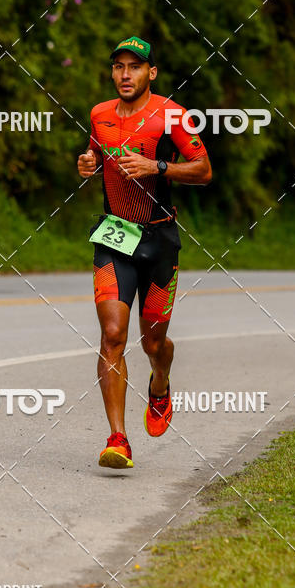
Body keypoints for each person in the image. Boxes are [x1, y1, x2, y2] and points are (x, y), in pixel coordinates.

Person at [77, 36, 212, 469]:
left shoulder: (172, 115)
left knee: (153, 342)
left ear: (151, 73)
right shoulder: (100, 114)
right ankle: (117, 438)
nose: (125, 74)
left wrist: (157, 166)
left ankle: (160, 382)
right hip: (115, 235)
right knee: (112, 335)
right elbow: (97, 154)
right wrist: (89, 163)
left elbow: (204, 170)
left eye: (134, 67)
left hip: (158, 240)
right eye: (118, 66)